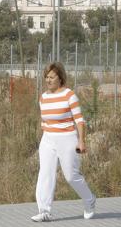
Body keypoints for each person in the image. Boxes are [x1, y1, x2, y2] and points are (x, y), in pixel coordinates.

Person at [31, 62, 96, 222]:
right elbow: (44, 120)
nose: (48, 80)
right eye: (46, 77)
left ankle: (89, 199)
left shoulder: (69, 95)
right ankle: (44, 210)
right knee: (45, 173)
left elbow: (79, 120)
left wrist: (81, 141)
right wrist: (45, 137)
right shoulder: (43, 98)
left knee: (71, 176)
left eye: (52, 77)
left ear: (60, 78)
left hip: (66, 139)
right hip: (48, 139)